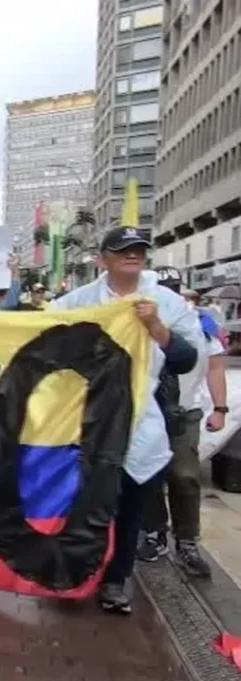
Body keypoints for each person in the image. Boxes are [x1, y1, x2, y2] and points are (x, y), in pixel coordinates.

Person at [49, 226, 201, 615]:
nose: (132, 256)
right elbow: (45, 345)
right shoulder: (78, 302)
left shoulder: (166, 302)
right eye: (122, 251)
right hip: (89, 420)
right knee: (85, 502)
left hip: (142, 421)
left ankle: (116, 579)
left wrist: (155, 328)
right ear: (104, 259)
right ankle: (77, 572)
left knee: (131, 507)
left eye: (138, 250)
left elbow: (186, 359)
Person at [137, 274, 228, 577]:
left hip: (185, 411)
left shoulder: (199, 325)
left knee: (184, 475)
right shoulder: (134, 318)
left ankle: (187, 541)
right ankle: (154, 532)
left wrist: (220, 408)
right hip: (147, 409)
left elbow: (215, 368)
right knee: (147, 473)